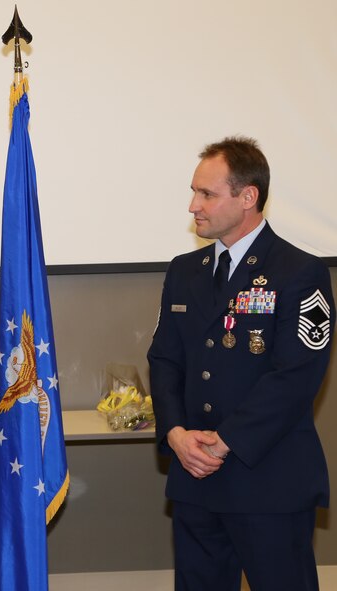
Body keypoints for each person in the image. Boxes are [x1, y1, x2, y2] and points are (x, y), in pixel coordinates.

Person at [148, 136, 333, 591]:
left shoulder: (299, 272)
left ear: (248, 197)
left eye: (206, 193)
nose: (193, 205)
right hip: (195, 477)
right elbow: (165, 360)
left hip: (267, 480)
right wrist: (175, 434)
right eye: (194, 192)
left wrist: (225, 442)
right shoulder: (183, 271)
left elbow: (294, 378)